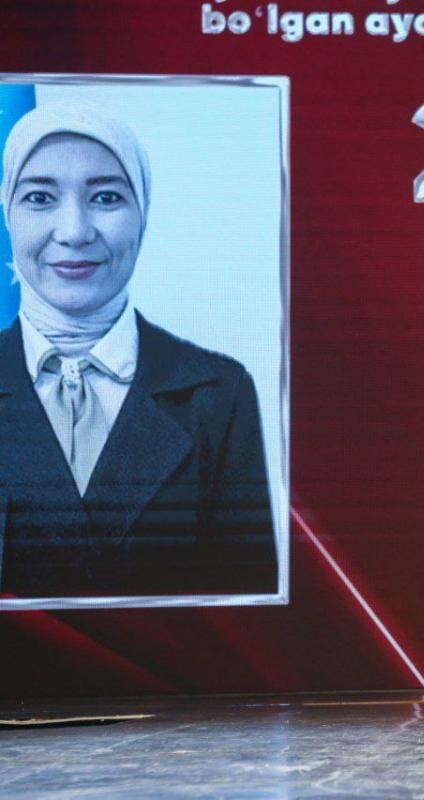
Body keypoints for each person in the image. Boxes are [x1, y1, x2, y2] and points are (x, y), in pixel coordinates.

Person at [0, 101, 277, 597]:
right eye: (40, 197)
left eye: (106, 197)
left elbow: (250, 612)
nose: (74, 232)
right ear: (7, 214)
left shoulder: (219, 394)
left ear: (143, 213)